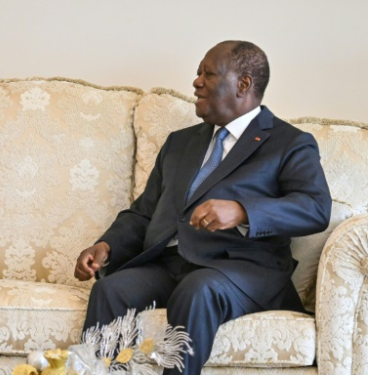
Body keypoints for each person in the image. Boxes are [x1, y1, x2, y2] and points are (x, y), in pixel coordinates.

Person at [74, 40, 331, 375]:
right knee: (111, 290)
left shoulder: (289, 143)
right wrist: (106, 246)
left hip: (239, 268)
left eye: (208, 74)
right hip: (168, 265)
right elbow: (143, 212)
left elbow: (315, 208)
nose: (196, 82)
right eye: (198, 74)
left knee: (198, 290)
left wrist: (242, 211)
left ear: (243, 84)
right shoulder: (180, 143)